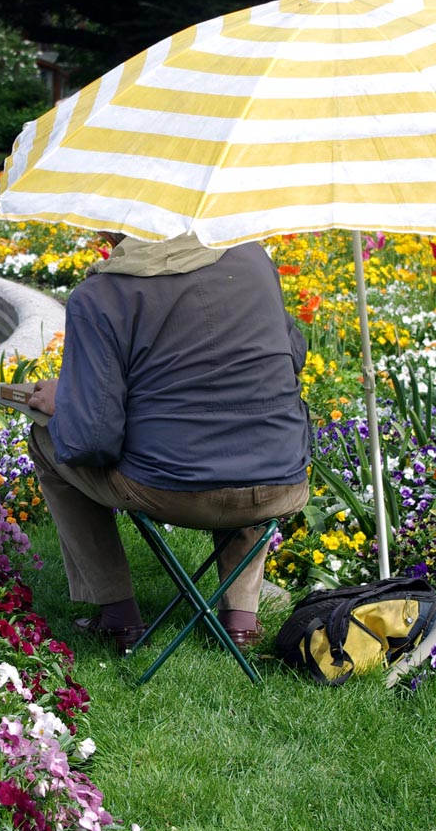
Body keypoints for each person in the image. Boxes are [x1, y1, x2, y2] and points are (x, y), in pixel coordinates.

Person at [26, 231, 311, 654]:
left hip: (170, 491)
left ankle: (117, 614)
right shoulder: (252, 257)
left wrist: (65, 401)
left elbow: (91, 441)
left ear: (107, 227)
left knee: (44, 439)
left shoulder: (100, 294)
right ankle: (241, 619)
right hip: (281, 482)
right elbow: (295, 356)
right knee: (247, 432)